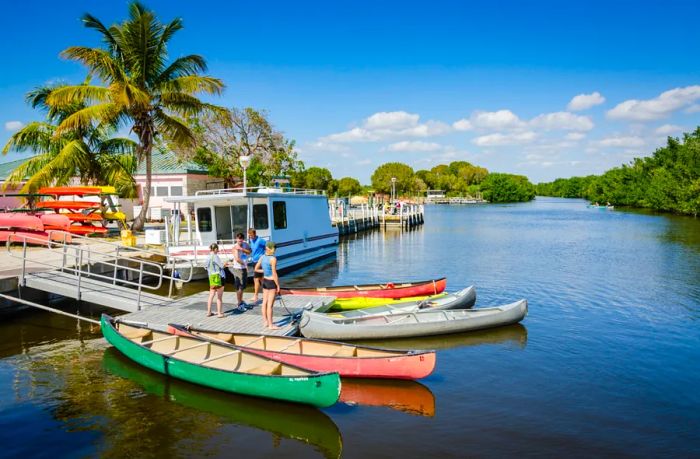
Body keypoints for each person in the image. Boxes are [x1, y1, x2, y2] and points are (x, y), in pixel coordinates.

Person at [255, 241, 280, 330]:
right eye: (274, 248)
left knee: (264, 303)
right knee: (270, 305)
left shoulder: (262, 257)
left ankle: (265, 322)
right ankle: (271, 325)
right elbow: (274, 273)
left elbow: (256, 269)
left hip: (265, 281)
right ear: (270, 248)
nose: (275, 249)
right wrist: (278, 285)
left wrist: (265, 271)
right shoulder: (273, 259)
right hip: (271, 282)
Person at [229, 232, 251, 312]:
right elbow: (237, 259)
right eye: (238, 241)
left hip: (243, 268)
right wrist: (245, 265)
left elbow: (249, 251)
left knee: (243, 286)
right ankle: (239, 304)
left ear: (243, 240)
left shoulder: (245, 244)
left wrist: (242, 249)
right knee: (239, 287)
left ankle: (241, 301)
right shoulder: (235, 247)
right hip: (238, 268)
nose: (240, 242)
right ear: (236, 239)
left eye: (241, 241)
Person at [206, 243, 226, 318]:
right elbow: (221, 266)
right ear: (215, 249)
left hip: (211, 277)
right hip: (219, 277)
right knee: (219, 296)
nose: (218, 250)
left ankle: (208, 312)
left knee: (211, 295)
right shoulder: (215, 256)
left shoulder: (208, 257)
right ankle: (219, 313)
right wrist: (226, 263)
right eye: (217, 249)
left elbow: (205, 266)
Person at [247, 228, 267, 304]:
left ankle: (256, 295)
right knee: (262, 279)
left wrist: (264, 256)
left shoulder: (260, 240)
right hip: (254, 261)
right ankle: (270, 291)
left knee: (256, 279)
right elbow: (252, 250)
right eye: (249, 235)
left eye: (251, 235)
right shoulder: (252, 241)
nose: (250, 237)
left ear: (254, 234)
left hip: (260, 261)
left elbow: (267, 247)